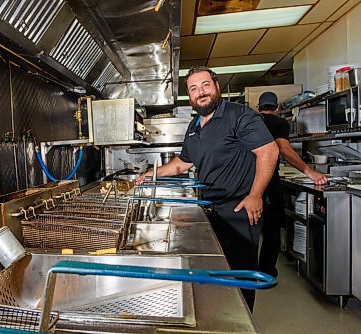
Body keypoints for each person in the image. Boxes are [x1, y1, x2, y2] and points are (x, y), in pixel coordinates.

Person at [136, 66, 279, 311]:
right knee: (218, 272)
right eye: (193, 88)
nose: (200, 92)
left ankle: (242, 322)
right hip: (211, 209)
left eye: (205, 85)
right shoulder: (194, 126)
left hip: (239, 209)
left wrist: (255, 195)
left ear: (216, 87)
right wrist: (152, 174)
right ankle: (223, 314)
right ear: (189, 96)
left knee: (241, 274)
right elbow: (183, 163)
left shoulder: (239, 115)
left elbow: (269, 151)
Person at [257, 91, 328, 277]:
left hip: (248, 182)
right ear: (277, 108)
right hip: (269, 181)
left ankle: (246, 270)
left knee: (251, 225)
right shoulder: (280, 123)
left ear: (258, 107)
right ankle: (266, 270)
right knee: (271, 227)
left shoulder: (252, 120)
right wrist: (309, 171)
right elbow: (284, 149)